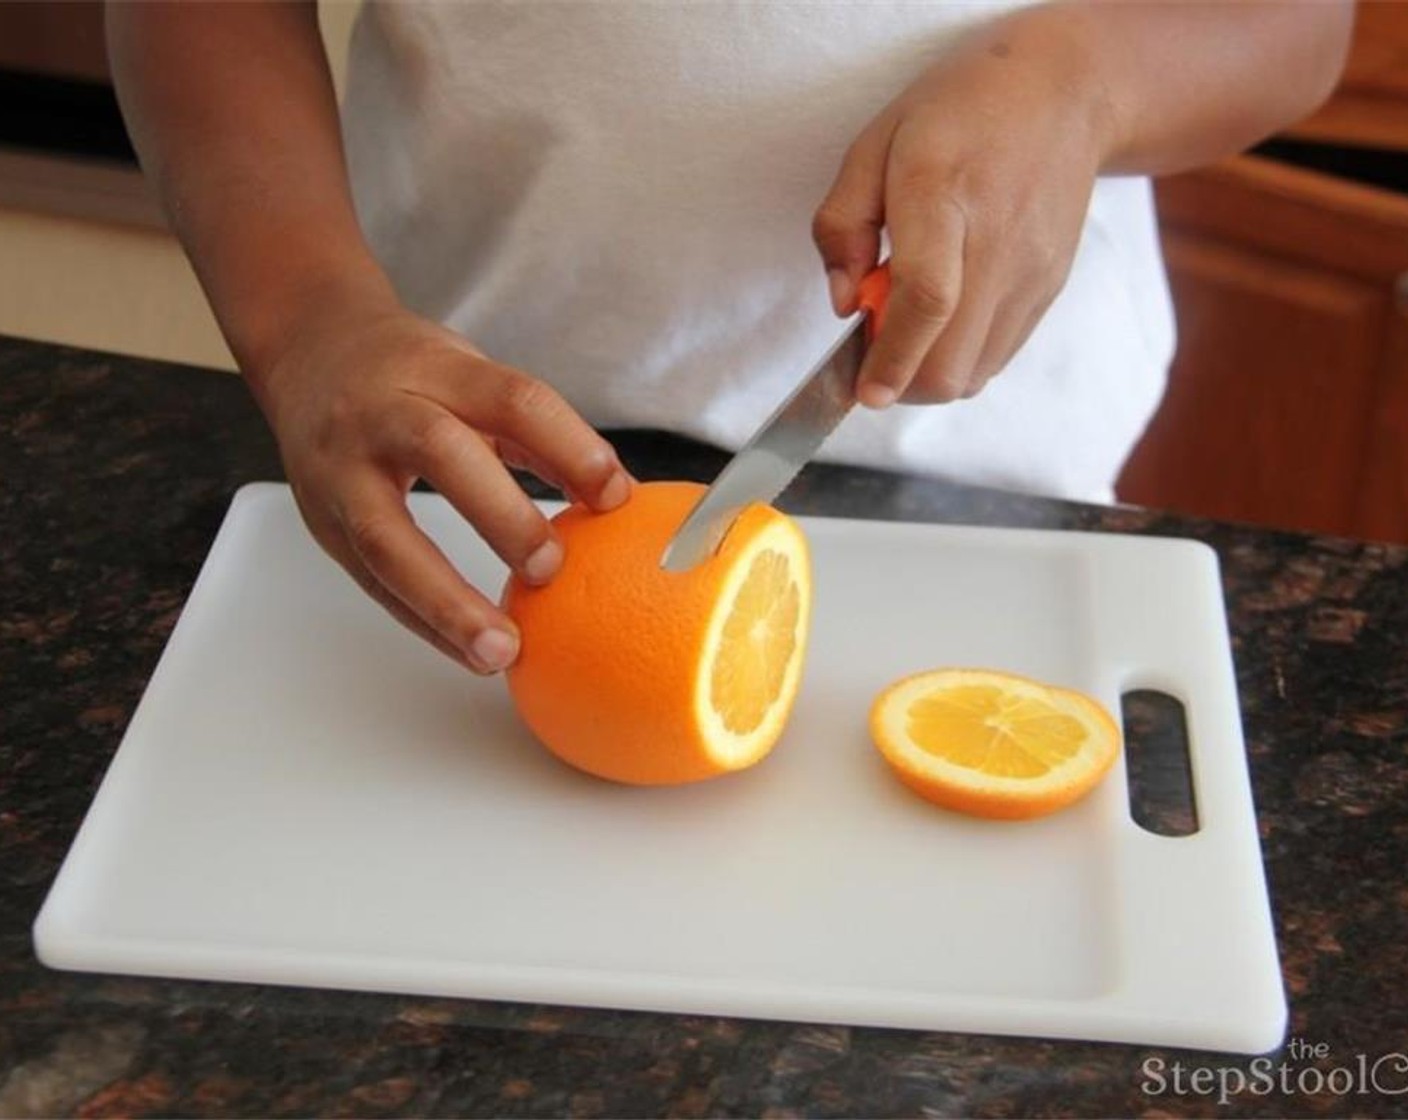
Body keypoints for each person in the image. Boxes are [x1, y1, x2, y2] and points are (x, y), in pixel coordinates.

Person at [107, 0, 1352, 675]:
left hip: (994, 489)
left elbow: (1305, 22)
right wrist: (313, 319)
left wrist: (1082, 79)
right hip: (467, 467)